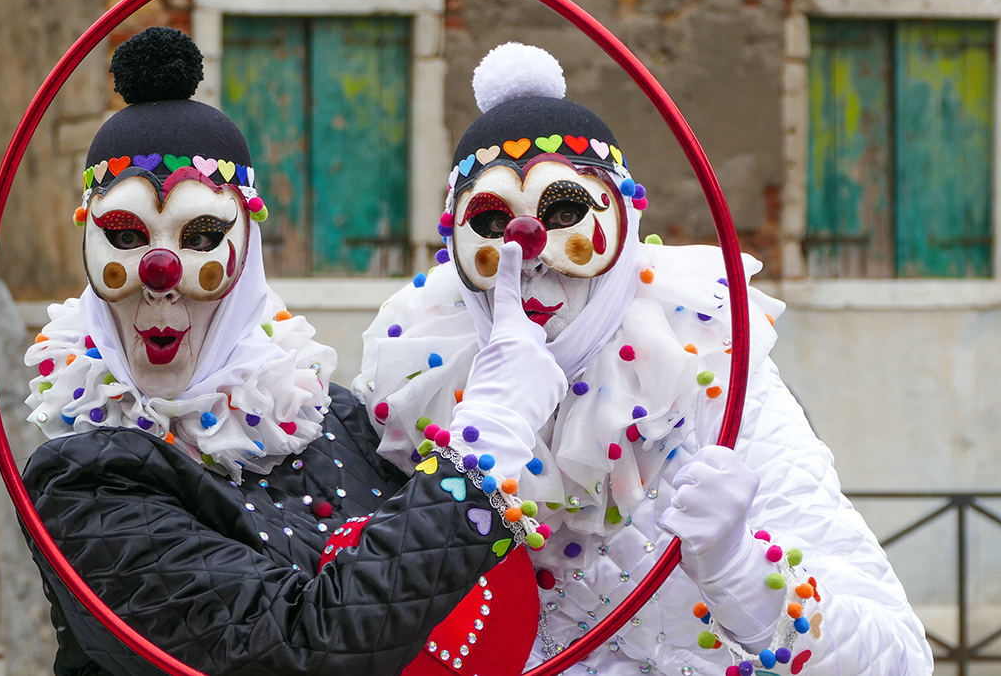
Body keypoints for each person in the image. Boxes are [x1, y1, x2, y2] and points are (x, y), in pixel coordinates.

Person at [352, 43, 935, 676]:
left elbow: (897, 660)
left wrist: (741, 572)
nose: (529, 248)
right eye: (492, 222)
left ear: (624, 223)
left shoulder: (710, 380)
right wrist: (484, 432)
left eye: (565, 210)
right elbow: (342, 631)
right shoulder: (414, 392)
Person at [21, 28, 552, 676]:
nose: (159, 269)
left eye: (203, 234)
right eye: (126, 235)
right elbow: (289, 651)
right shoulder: (85, 482)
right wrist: (477, 460)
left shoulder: (332, 416)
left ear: (247, 255)